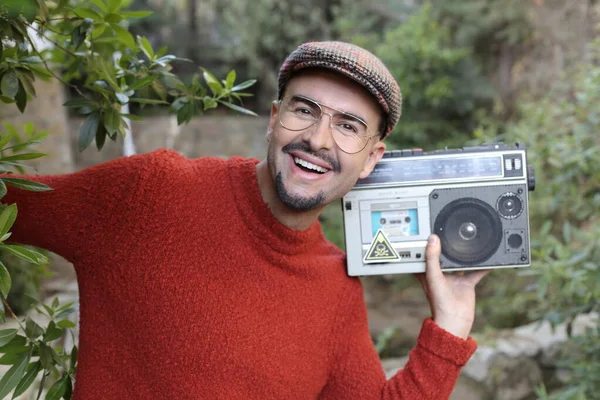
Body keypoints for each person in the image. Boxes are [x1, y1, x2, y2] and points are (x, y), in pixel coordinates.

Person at [6, 41, 489, 399]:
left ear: (370, 159)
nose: (319, 140)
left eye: (348, 126)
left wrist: (448, 327)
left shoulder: (337, 290)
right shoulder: (150, 192)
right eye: (305, 111)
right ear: (273, 118)